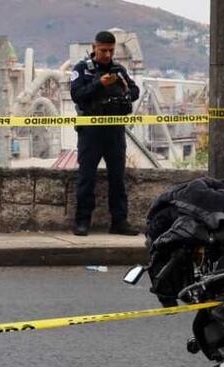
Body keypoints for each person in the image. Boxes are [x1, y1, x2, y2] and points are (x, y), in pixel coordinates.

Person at [69, 30, 141, 237]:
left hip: (114, 131)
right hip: (91, 132)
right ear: (94, 47)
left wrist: (126, 92)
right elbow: (77, 95)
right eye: (103, 50)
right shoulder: (82, 69)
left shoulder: (118, 69)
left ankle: (119, 221)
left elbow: (135, 91)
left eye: (111, 50)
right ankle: (82, 222)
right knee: (86, 178)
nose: (108, 55)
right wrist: (99, 83)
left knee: (118, 178)